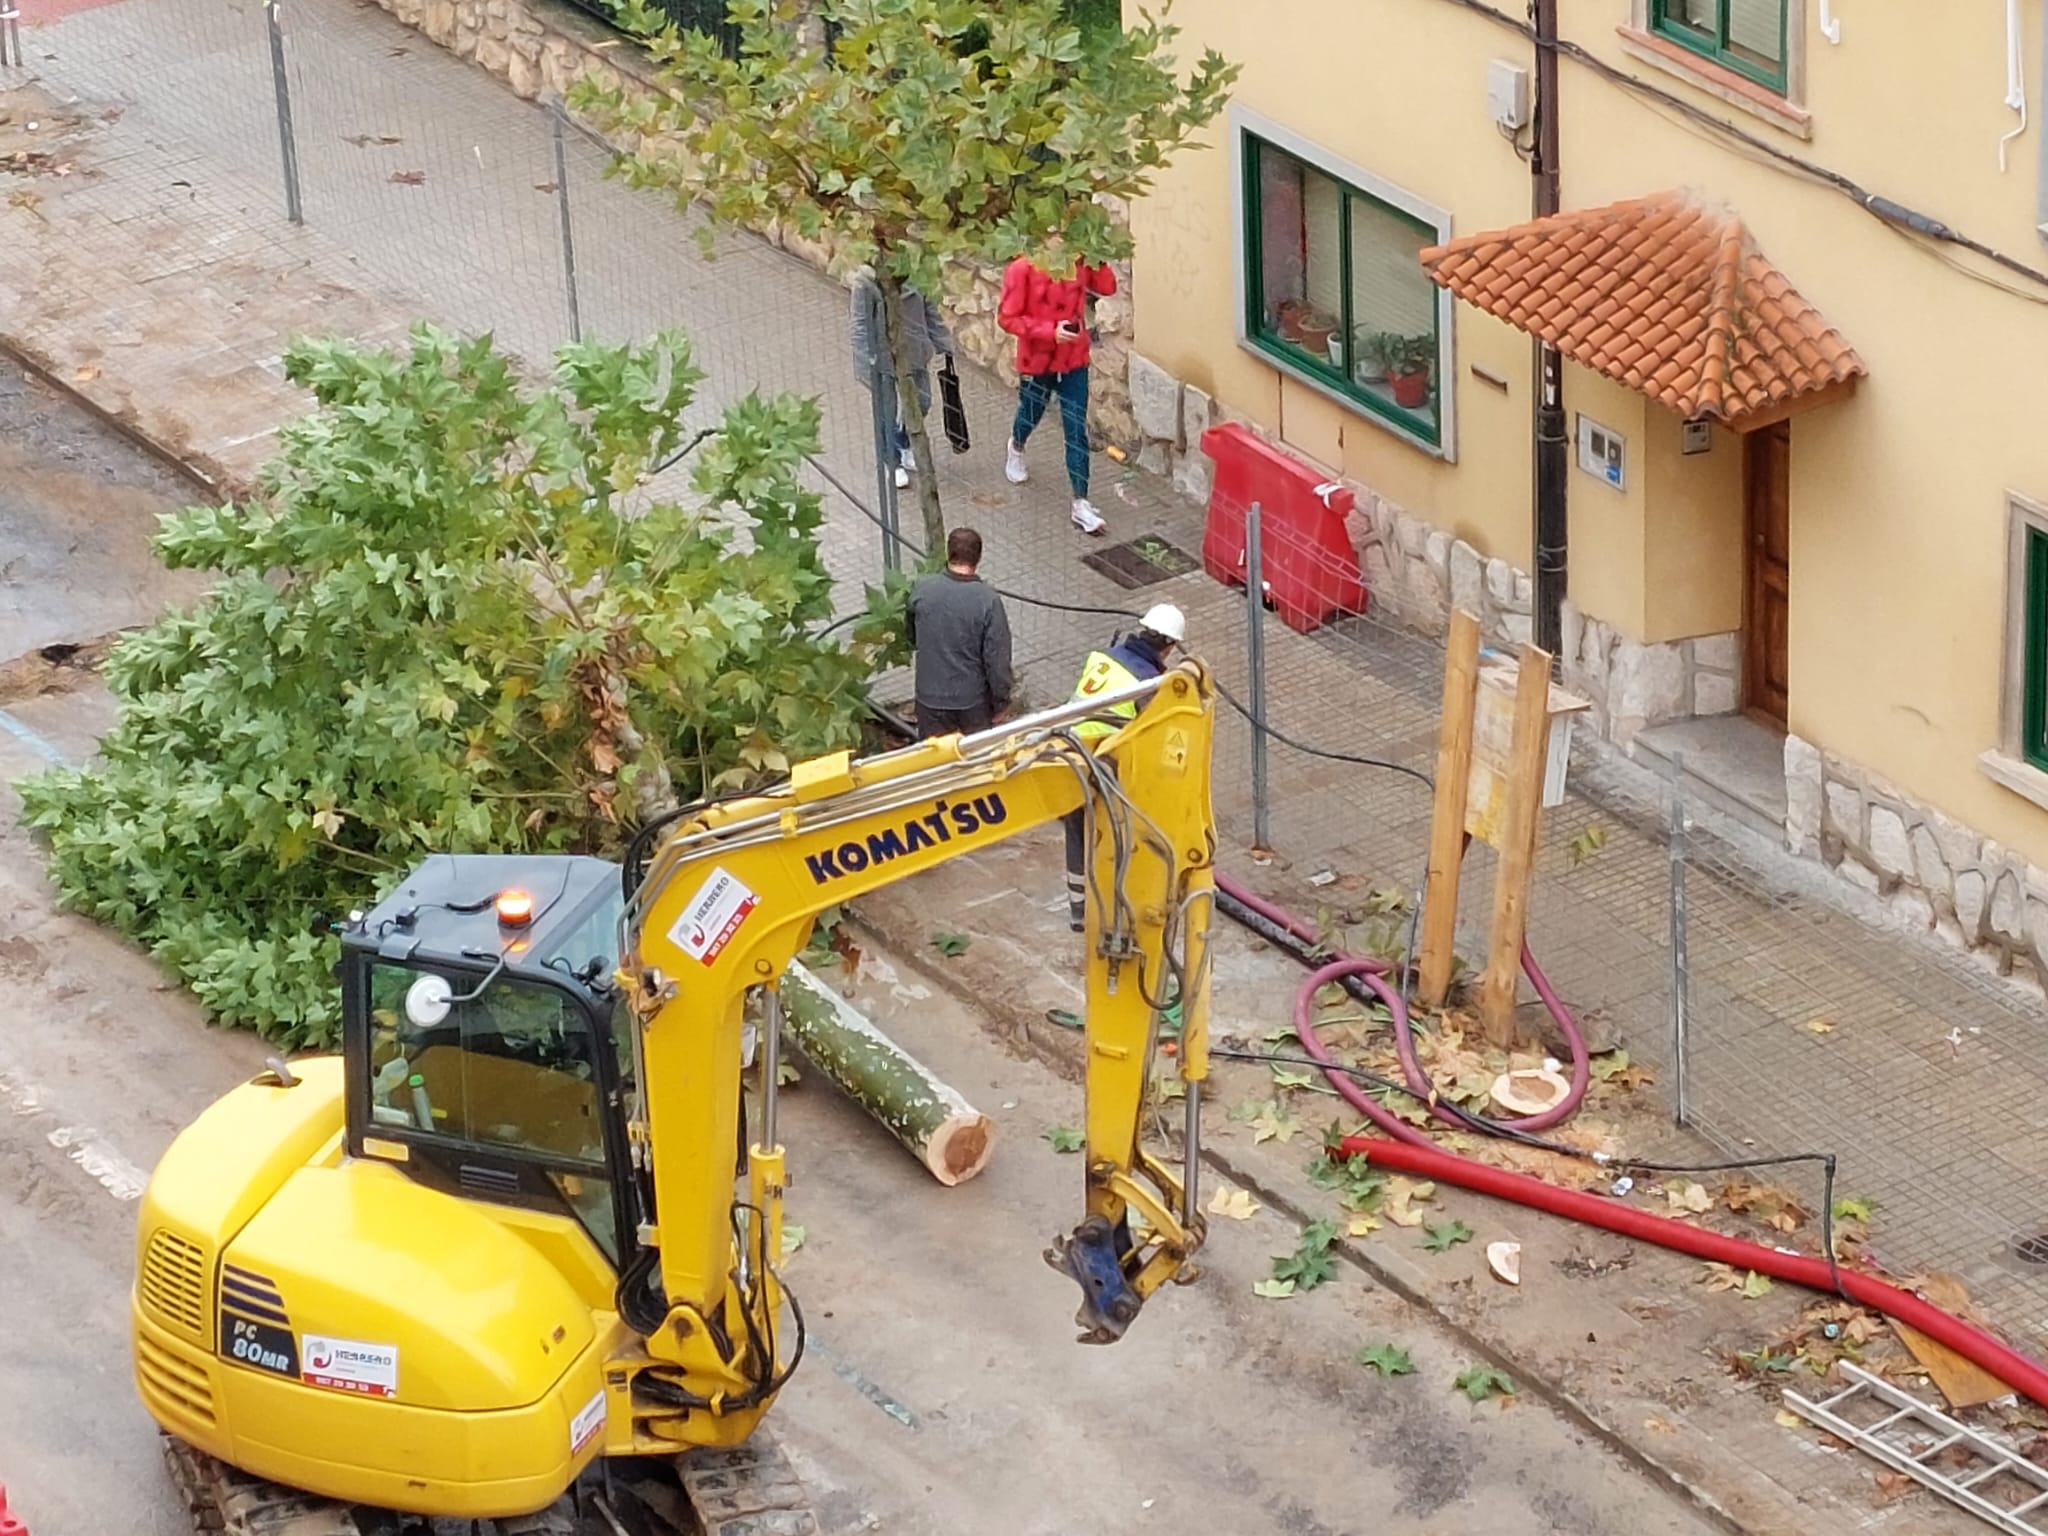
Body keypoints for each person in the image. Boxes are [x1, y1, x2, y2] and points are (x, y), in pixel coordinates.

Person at [1061, 603, 1186, 931]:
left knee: (1076, 832)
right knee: (1117, 834)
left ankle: (1078, 912)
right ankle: (1114, 907)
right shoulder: (1146, 682)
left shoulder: (1103, 655)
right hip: (1104, 763)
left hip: (1069, 750)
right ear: (1169, 646)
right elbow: (1150, 734)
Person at [997, 247, 1118, 538]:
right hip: (1038, 360)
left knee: (1075, 428)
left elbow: (1108, 287)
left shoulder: (1079, 258)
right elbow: (1007, 318)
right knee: (1031, 411)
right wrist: (1049, 331)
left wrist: (1096, 254)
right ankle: (1017, 444)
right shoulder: (1022, 267)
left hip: (1074, 358)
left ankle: (1081, 502)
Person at [851, 267, 956, 489]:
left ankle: (904, 440)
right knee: (886, 412)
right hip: (883, 357)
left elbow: (930, 309)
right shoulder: (866, 281)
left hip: (914, 352)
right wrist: (864, 364)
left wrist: (943, 342)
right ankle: (892, 461)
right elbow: (859, 324)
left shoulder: (916, 269)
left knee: (922, 403)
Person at [905, 527, 1013, 738]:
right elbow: (997, 659)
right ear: (978, 557)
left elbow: (911, 635)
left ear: (948, 553)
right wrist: (1001, 703)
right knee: (976, 762)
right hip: (972, 703)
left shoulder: (922, 590)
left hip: (929, 699)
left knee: (935, 763)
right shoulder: (988, 601)